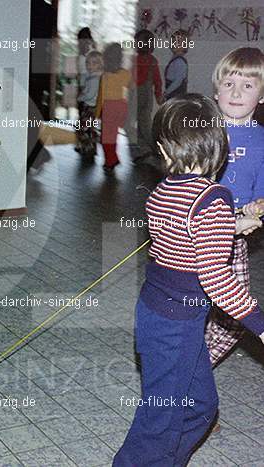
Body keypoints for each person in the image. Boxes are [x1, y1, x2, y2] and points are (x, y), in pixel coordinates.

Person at [113, 95, 264, 467]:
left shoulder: (162, 191)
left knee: (199, 406)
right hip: (175, 326)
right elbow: (215, 278)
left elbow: (185, 237)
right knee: (162, 420)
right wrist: (259, 325)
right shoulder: (214, 198)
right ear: (222, 145)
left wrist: (234, 225)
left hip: (157, 315)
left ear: (164, 149)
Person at [205, 47, 264, 367]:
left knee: (234, 318)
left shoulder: (262, 141)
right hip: (196, 238)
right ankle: (186, 383)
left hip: (235, 240)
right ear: (216, 91)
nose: (237, 92)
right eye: (229, 84)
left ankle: (194, 367)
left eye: (248, 85)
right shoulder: (202, 134)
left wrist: (257, 209)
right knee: (190, 312)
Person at [96, 43, 131, 172]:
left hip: (108, 107)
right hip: (121, 105)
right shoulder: (125, 74)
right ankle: (113, 159)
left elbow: (101, 96)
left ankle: (110, 161)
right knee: (113, 135)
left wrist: (97, 112)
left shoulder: (104, 76)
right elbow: (128, 87)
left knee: (106, 137)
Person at [132, 29, 163, 163]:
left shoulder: (137, 60)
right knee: (142, 122)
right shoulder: (153, 60)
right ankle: (144, 149)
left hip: (139, 95)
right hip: (147, 95)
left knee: (143, 123)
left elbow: (133, 79)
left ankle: (157, 148)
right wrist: (158, 94)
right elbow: (158, 81)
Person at [76, 50, 102, 160]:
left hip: (90, 107)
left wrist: (80, 97)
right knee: (88, 128)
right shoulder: (92, 76)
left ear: (100, 65)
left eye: (94, 63)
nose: (89, 66)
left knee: (83, 128)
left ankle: (88, 148)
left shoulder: (94, 79)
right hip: (92, 107)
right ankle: (90, 147)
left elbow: (90, 94)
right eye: (88, 63)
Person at [164, 30, 189, 101]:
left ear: (185, 45)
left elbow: (178, 81)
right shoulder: (176, 60)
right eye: (173, 41)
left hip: (176, 93)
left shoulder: (179, 61)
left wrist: (166, 93)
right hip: (173, 92)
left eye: (178, 42)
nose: (174, 44)